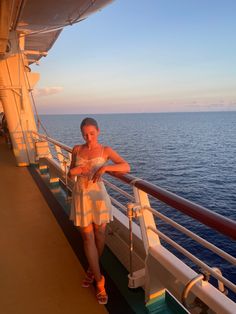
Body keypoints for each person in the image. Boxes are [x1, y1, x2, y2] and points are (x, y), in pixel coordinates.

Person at [68, 117, 130, 305]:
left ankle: (91, 270)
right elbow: (70, 172)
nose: (89, 138)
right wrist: (74, 171)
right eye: (85, 134)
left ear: (98, 131)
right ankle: (99, 281)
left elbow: (126, 166)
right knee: (88, 238)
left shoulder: (105, 150)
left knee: (100, 235)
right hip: (81, 196)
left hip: (98, 198)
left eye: (92, 134)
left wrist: (105, 167)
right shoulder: (77, 149)